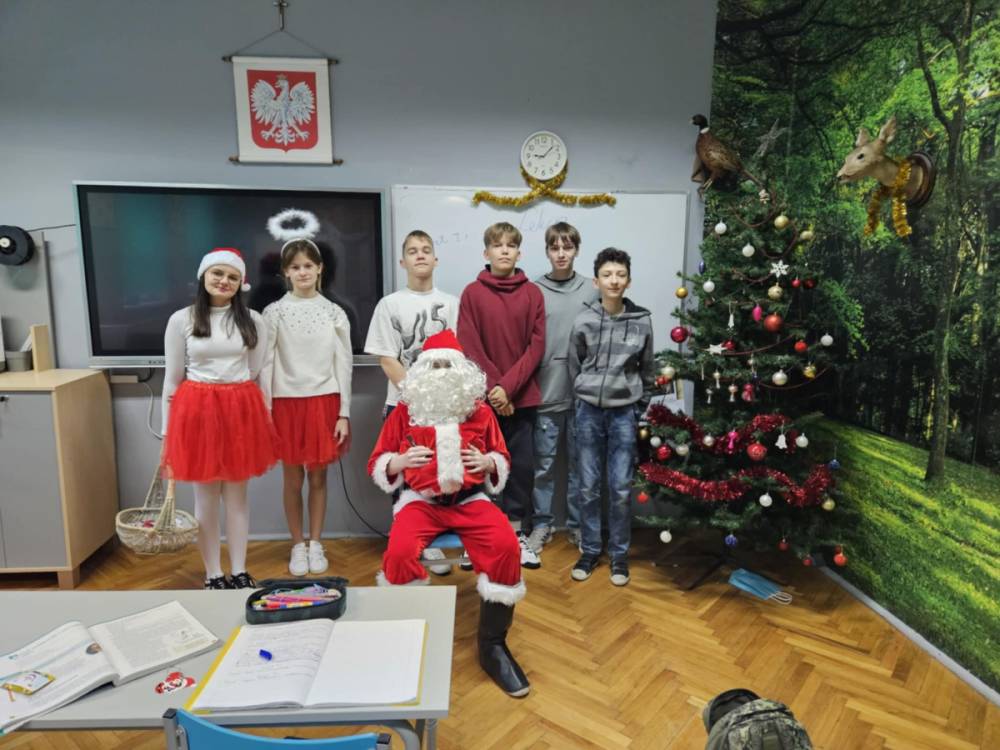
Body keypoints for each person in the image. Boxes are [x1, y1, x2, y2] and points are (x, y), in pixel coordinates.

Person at [367, 329, 530, 698]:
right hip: (420, 503)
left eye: (448, 365)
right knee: (399, 553)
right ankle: (406, 638)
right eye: (434, 365)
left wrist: (488, 462)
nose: (441, 372)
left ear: (462, 371)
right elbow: (377, 461)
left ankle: (493, 647)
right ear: (422, 371)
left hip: (470, 501)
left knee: (506, 547)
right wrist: (400, 461)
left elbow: (502, 456)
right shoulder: (405, 412)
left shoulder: (480, 411)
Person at [161, 248, 275, 590]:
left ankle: (239, 570)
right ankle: (213, 573)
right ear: (204, 276)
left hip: (239, 411)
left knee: (237, 497)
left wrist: (242, 401)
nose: (224, 281)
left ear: (241, 283)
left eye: (233, 276)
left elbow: (254, 369)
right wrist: (168, 432)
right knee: (206, 497)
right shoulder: (181, 320)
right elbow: (172, 379)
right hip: (197, 412)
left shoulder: (253, 320)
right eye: (218, 273)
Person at [364, 229, 459, 574]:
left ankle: (438, 545)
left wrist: (439, 398)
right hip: (403, 406)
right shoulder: (390, 304)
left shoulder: (452, 303)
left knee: (439, 474)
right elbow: (387, 358)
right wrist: (418, 395)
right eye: (413, 251)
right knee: (404, 476)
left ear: (435, 259)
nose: (420, 255)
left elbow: (459, 357)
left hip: (445, 409)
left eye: (426, 250)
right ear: (403, 261)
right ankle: (409, 542)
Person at [261, 238, 353, 577]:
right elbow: (266, 362)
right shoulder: (274, 312)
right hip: (285, 404)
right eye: (295, 267)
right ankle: (297, 544)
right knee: (291, 478)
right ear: (286, 272)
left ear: (319, 269)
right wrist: (266, 409)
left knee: (318, 477)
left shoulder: (334, 312)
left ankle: (316, 543)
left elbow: (344, 364)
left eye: (308, 266)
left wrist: (344, 412)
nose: (303, 272)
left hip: (324, 402)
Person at [457, 222, 546, 568]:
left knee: (520, 469)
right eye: (498, 245)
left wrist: (506, 390)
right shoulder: (471, 293)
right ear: (487, 252)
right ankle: (477, 539)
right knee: (477, 468)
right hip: (482, 401)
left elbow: (536, 347)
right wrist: (495, 391)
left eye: (511, 245)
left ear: (519, 253)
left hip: (522, 399)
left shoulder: (533, 293)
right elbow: (469, 345)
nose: (504, 250)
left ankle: (515, 535)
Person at [568, 248, 655, 587]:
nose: (614, 281)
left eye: (620, 275)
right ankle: (590, 550)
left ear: (628, 281)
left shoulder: (641, 320)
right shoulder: (584, 319)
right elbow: (574, 364)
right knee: (588, 487)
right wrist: (583, 396)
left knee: (619, 488)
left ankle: (619, 555)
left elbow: (647, 369)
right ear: (597, 281)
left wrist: (637, 407)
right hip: (589, 412)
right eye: (607, 275)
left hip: (623, 414)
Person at [526, 222, 599, 556]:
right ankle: (542, 524)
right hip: (546, 393)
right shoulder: (534, 290)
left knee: (580, 467)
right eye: (554, 248)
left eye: (567, 247)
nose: (561, 254)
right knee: (543, 466)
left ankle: (578, 526)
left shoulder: (592, 289)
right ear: (547, 251)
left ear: (576, 250)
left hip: (584, 397)